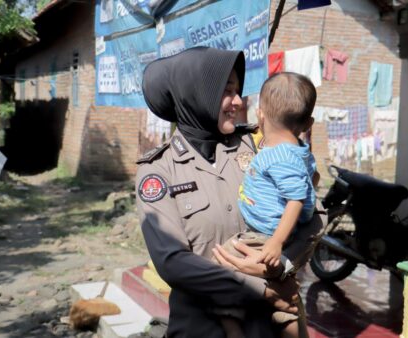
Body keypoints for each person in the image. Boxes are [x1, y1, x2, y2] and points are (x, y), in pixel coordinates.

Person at [136, 47, 324, 338]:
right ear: (195, 94)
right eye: (226, 91)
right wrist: (260, 290)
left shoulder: (258, 144)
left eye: (238, 90)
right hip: (204, 329)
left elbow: (313, 214)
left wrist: (281, 265)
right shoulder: (159, 171)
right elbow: (172, 262)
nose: (238, 101)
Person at [213, 72, 320, 338]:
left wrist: (276, 242)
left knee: (218, 270)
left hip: (264, 235)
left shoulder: (279, 155)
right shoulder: (298, 150)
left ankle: (233, 330)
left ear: (260, 114)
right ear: (308, 122)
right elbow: (312, 179)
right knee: (285, 301)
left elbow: (296, 199)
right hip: (271, 233)